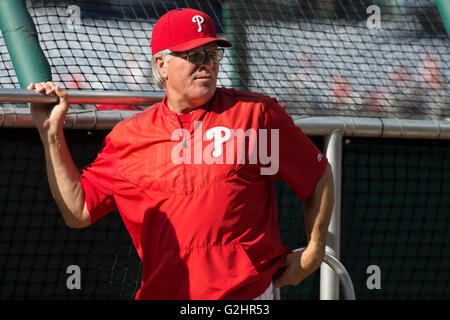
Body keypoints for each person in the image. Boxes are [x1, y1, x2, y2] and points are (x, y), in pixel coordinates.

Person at [27, 8, 334, 300]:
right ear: (161, 65)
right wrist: (51, 134)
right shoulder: (129, 138)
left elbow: (317, 175)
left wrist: (314, 252)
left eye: (213, 55)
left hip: (244, 296)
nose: (208, 64)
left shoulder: (255, 115)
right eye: (194, 55)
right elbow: (78, 210)